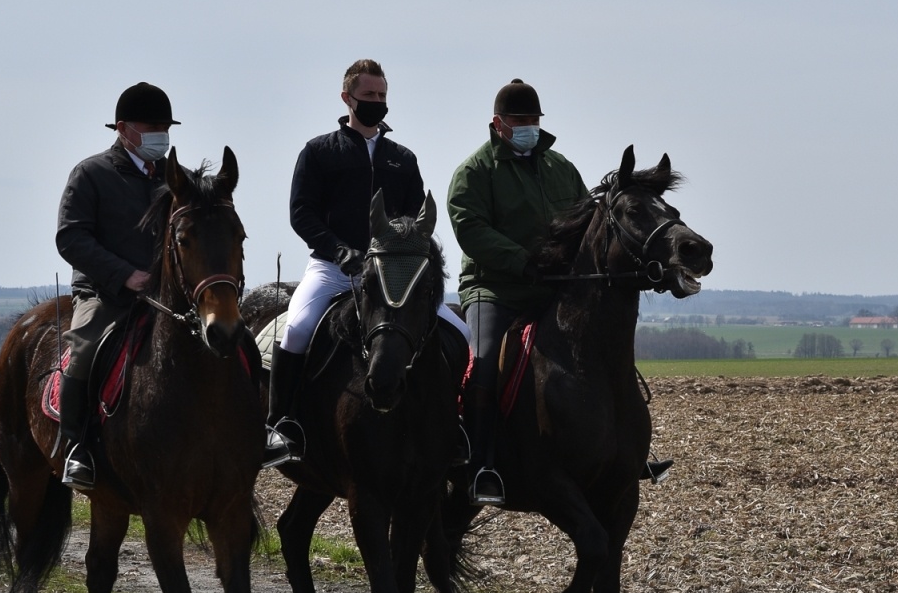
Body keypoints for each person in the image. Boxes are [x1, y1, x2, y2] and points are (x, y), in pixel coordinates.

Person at [55, 82, 291, 490]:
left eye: (165, 127)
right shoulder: (91, 173)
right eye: (152, 126)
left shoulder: (174, 178)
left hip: (170, 296)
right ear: (123, 128)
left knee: (244, 344)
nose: (160, 135)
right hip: (107, 293)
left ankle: (262, 431)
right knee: (85, 349)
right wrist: (125, 275)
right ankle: (77, 447)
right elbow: (70, 237)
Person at [269, 59, 471, 458]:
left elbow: (416, 217)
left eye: (382, 96)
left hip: (392, 273)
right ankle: (281, 424)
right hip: (332, 269)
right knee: (295, 329)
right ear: (347, 98)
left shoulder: (403, 158)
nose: (377, 102)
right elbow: (301, 213)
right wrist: (338, 249)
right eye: (368, 96)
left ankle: (456, 425)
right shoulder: (318, 152)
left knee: (461, 334)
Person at [446, 79, 590, 505]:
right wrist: (524, 260)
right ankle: (480, 465)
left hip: (552, 288)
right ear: (498, 123)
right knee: (486, 361)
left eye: (533, 120)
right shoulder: (474, 172)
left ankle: (625, 449)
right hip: (494, 287)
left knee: (599, 345)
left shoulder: (561, 167)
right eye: (519, 120)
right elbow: (470, 230)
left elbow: (584, 220)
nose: (528, 127)